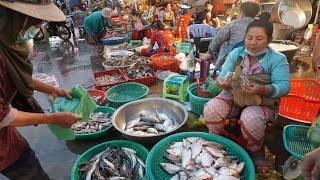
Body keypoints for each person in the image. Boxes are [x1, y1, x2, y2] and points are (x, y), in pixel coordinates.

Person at [0, 1, 81, 179]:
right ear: (14, 19)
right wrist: (52, 118)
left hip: (8, 138)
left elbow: (16, 76)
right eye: (32, 22)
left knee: (27, 161)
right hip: (2, 149)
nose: (36, 28)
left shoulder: (7, 45)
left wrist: (52, 89)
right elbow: (2, 115)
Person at [203, 18, 290, 170]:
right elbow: (223, 75)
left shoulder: (277, 59)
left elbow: (284, 87)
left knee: (250, 118)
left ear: (269, 40)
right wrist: (222, 82)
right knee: (211, 108)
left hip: (261, 100)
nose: (253, 42)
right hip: (234, 95)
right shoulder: (237, 53)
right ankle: (214, 142)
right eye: (249, 38)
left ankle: (256, 152)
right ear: (245, 37)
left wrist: (262, 89)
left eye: (259, 38)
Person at [200, 1, 260, 69]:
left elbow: (218, 39)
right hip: (253, 59)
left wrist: (210, 50)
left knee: (223, 43)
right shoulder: (260, 26)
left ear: (242, 13)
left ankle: (209, 56)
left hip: (232, 59)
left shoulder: (233, 24)